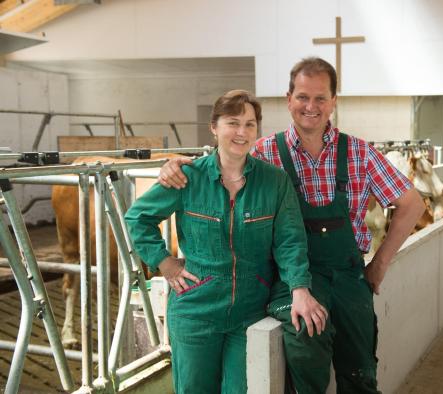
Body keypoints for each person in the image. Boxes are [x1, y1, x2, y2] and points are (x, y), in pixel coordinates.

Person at [158, 59, 425, 393]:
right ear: (288, 99)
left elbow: (412, 204)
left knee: (360, 369)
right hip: (288, 277)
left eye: (320, 98)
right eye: (302, 97)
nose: (310, 107)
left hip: (348, 275)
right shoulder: (264, 153)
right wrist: (177, 166)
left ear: (333, 102)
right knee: (305, 344)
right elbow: (221, 160)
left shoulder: (359, 152)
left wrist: (380, 264)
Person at [125, 89, 327, 394]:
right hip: (196, 308)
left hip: (249, 309)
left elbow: (290, 240)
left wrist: (300, 289)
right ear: (214, 127)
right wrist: (165, 263)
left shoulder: (274, 182)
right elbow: (138, 218)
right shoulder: (187, 177)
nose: (241, 132)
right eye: (233, 122)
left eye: (249, 124)